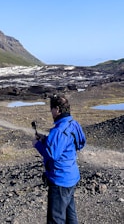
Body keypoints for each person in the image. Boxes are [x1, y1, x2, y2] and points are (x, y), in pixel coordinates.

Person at [33, 94, 87, 224]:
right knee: (70, 216)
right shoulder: (73, 124)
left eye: (51, 109)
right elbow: (79, 143)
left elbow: (52, 154)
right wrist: (46, 139)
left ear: (57, 109)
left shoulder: (58, 130)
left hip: (59, 179)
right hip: (71, 176)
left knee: (56, 219)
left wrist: (38, 144)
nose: (51, 112)